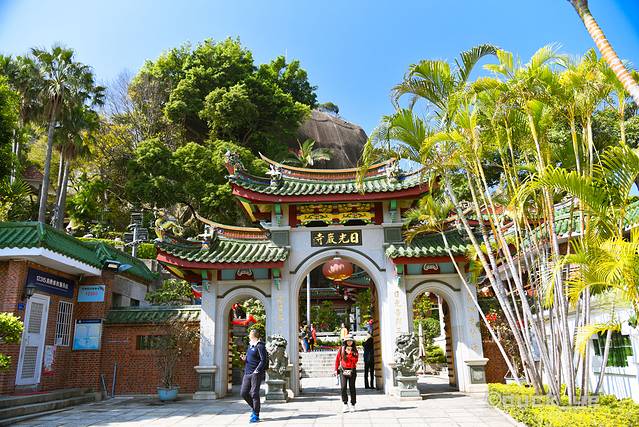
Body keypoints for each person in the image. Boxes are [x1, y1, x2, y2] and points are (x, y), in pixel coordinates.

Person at [240, 329, 267, 423]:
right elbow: (250, 358)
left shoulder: (260, 346)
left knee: (254, 393)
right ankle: (255, 408)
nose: (248, 335)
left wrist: (257, 370)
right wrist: (245, 359)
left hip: (256, 374)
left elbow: (263, 360)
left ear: (254, 336)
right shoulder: (250, 345)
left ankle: (256, 414)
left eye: (250, 334)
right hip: (247, 373)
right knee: (243, 393)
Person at [335, 334, 358, 412]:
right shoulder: (342, 349)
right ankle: (345, 404)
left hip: (352, 370)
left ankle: (353, 404)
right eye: (348, 341)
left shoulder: (355, 350)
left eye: (351, 341)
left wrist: (350, 354)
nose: (349, 342)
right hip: (343, 370)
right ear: (345, 341)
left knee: (352, 387)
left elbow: (355, 360)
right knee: (343, 387)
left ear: (353, 342)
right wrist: (336, 369)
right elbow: (337, 359)